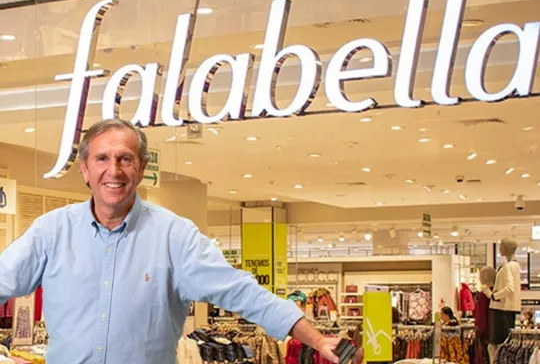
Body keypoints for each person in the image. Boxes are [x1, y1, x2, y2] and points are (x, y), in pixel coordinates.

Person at [0, 119, 363, 364]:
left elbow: (241, 292)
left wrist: (317, 340)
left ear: (142, 168)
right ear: (85, 169)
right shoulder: (52, 232)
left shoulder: (174, 236)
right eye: (102, 158)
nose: (114, 170)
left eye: (125, 159)